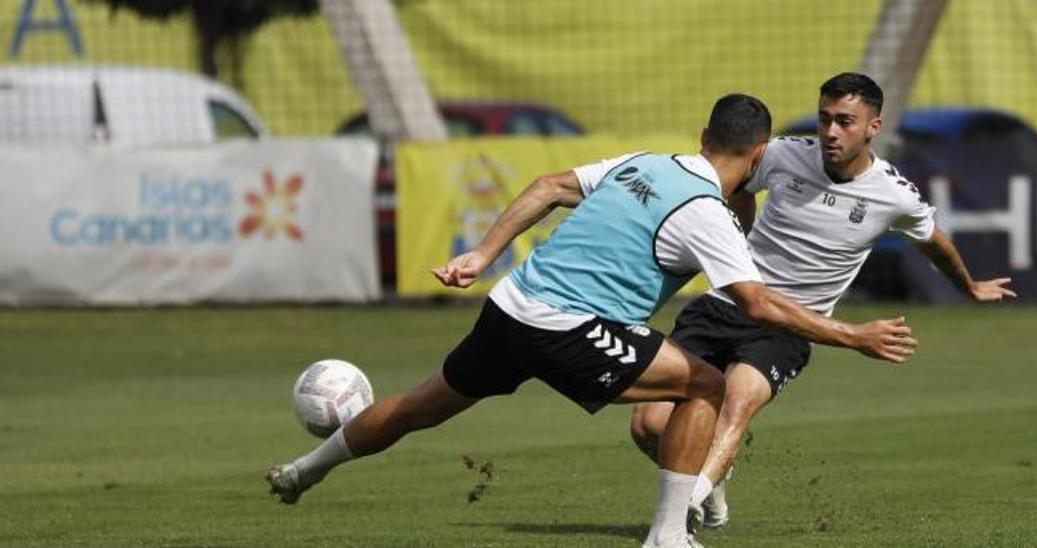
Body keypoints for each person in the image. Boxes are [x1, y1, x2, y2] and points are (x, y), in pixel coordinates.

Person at [264, 93, 918, 548]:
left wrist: (481, 255)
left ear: (702, 139)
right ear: (755, 159)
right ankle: (667, 537)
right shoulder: (706, 212)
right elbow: (758, 304)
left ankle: (305, 470)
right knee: (706, 388)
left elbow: (548, 186)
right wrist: (851, 335)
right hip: (566, 327)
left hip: (511, 304)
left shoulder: (644, 164)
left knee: (418, 406)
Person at [629, 73, 1018, 532]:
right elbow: (736, 185)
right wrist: (737, 237)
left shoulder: (893, 194)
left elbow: (934, 243)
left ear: (873, 127)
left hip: (789, 326)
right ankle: (711, 480)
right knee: (648, 425)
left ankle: (683, 513)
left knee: (737, 401)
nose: (831, 132)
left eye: (845, 122)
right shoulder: (782, 154)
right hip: (726, 301)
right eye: (824, 119)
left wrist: (969, 286)